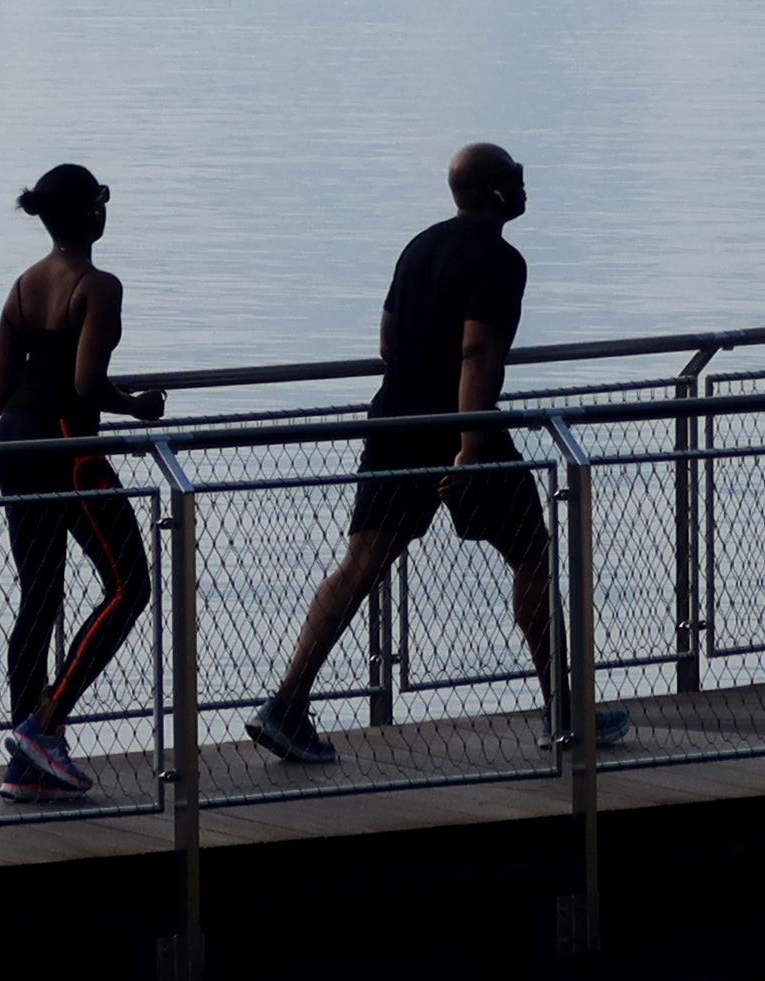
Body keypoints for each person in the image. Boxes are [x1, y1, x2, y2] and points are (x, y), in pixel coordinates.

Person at [242, 143, 625, 764]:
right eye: (516, 177)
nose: (525, 185)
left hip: (395, 420)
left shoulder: (419, 245)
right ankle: (564, 710)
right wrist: (470, 445)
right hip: (462, 425)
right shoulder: (500, 261)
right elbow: (478, 355)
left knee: (360, 565)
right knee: (532, 552)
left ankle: (286, 704)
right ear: (497, 193)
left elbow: (389, 340)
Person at [0, 163, 167, 803]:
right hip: (70, 446)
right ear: (92, 214)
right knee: (130, 584)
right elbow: (89, 385)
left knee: (39, 596)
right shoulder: (97, 286)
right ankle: (45, 724)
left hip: (12, 441)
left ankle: (25, 765)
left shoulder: (23, 285)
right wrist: (139, 406)